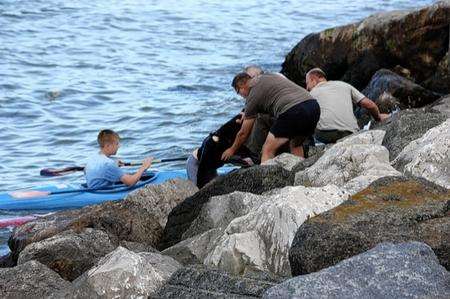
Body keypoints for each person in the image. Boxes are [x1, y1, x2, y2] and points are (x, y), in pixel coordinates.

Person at [222, 72, 320, 163]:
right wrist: (248, 113)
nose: (242, 96)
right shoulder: (268, 76)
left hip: (294, 111)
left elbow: (243, 133)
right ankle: (301, 172)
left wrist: (232, 150)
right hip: (313, 107)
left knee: (267, 150)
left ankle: (268, 180)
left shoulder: (252, 95)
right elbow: (271, 101)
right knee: (296, 145)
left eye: (239, 92)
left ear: (241, 87)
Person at [305, 68, 389, 144]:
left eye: (307, 84)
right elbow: (370, 105)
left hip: (327, 134)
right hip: (351, 133)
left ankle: (307, 156)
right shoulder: (344, 85)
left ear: (313, 80)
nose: (307, 88)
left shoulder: (311, 94)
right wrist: (378, 117)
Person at [85, 129, 153, 188]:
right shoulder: (109, 164)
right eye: (117, 144)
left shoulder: (92, 158)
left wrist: (114, 167)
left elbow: (88, 171)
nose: (119, 146)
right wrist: (143, 167)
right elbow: (130, 182)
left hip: (93, 189)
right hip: (102, 193)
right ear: (108, 146)